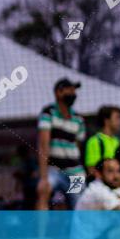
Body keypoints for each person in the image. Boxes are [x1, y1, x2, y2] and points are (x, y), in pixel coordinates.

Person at [36, 78, 86, 210]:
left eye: (74, 90)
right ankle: (40, 231)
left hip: (76, 172)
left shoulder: (78, 119)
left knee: (78, 203)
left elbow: (78, 145)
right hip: (54, 170)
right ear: (59, 92)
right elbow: (43, 145)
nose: (73, 93)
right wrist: (43, 177)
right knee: (43, 191)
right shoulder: (49, 113)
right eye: (70, 89)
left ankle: (76, 231)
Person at [85, 105, 120, 176]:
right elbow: (91, 169)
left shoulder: (117, 141)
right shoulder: (94, 141)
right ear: (107, 121)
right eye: (117, 118)